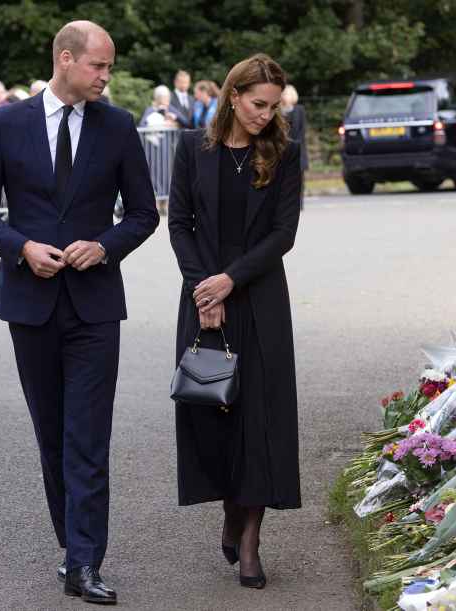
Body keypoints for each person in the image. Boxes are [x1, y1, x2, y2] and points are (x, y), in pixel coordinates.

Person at [0, 20, 159, 605]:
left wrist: (105, 245)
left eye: (109, 67)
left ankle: (84, 561)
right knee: (52, 435)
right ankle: (71, 547)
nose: (107, 76)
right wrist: (20, 247)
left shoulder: (119, 126)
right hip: (30, 304)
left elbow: (144, 214)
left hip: (96, 307)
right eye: (99, 66)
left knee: (88, 435)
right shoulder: (7, 122)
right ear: (66, 60)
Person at [169, 52, 302, 591]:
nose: (264, 115)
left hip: (260, 296)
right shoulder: (190, 148)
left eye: (272, 107)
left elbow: (283, 233)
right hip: (203, 295)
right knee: (213, 414)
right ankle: (229, 510)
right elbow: (178, 222)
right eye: (256, 104)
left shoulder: (284, 152)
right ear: (232, 95)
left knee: (261, 422)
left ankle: (250, 539)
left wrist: (232, 280)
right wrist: (206, 288)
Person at [280, 84, 308, 208]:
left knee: (299, 177)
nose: (283, 96)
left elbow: (302, 131)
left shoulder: (299, 110)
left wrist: (297, 146)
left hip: (297, 147)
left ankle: (299, 202)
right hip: (282, 148)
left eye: (285, 93)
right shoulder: (279, 110)